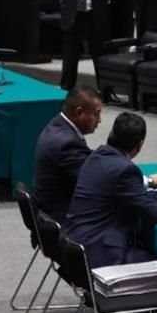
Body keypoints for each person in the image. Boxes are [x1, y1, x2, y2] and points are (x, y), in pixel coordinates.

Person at [65, 112, 157, 313]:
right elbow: (154, 214)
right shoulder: (124, 169)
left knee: (149, 254)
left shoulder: (98, 155)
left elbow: (133, 196)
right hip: (101, 253)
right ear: (139, 145)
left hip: (79, 246)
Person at [33, 86, 105, 224]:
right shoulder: (66, 143)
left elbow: (88, 159)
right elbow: (96, 183)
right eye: (96, 114)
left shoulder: (57, 125)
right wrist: (146, 183)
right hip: (65, 218)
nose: (99, 120)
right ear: (79, 112)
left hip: (54, 208)